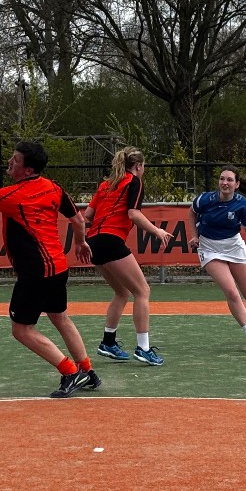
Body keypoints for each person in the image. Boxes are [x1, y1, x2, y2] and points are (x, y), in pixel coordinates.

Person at [0, 141, 100, 398]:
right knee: (59, 316)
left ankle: (70, 372)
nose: (10, 161)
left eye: (15, 159)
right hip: (58, 267)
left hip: (36, 271)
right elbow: (77, 219)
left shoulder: (14, 195)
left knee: (21, 329)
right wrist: (80, 241)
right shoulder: (53, 188)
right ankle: (88, 370)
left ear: (28, 170)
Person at [83, 147, 172, 366]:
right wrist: (157, 231)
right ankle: (143, 348)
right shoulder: (134, 181)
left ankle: (108, 342)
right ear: (138, 166)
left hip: (93, 241)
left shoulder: (106, 185)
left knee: (122, 292)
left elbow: (88, 215)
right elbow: (134, 213)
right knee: (142, 291)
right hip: (110, 240)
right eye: (143, 167)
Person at [188, 166, 246, 353]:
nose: (225, 182)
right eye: (222, 179)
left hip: (234, 246)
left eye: (230, 180)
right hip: (209, 248)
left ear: (237, 184)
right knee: (232, 292)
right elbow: (191, 213)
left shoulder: (242, 204)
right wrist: (194, 235)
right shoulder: (204, 199)